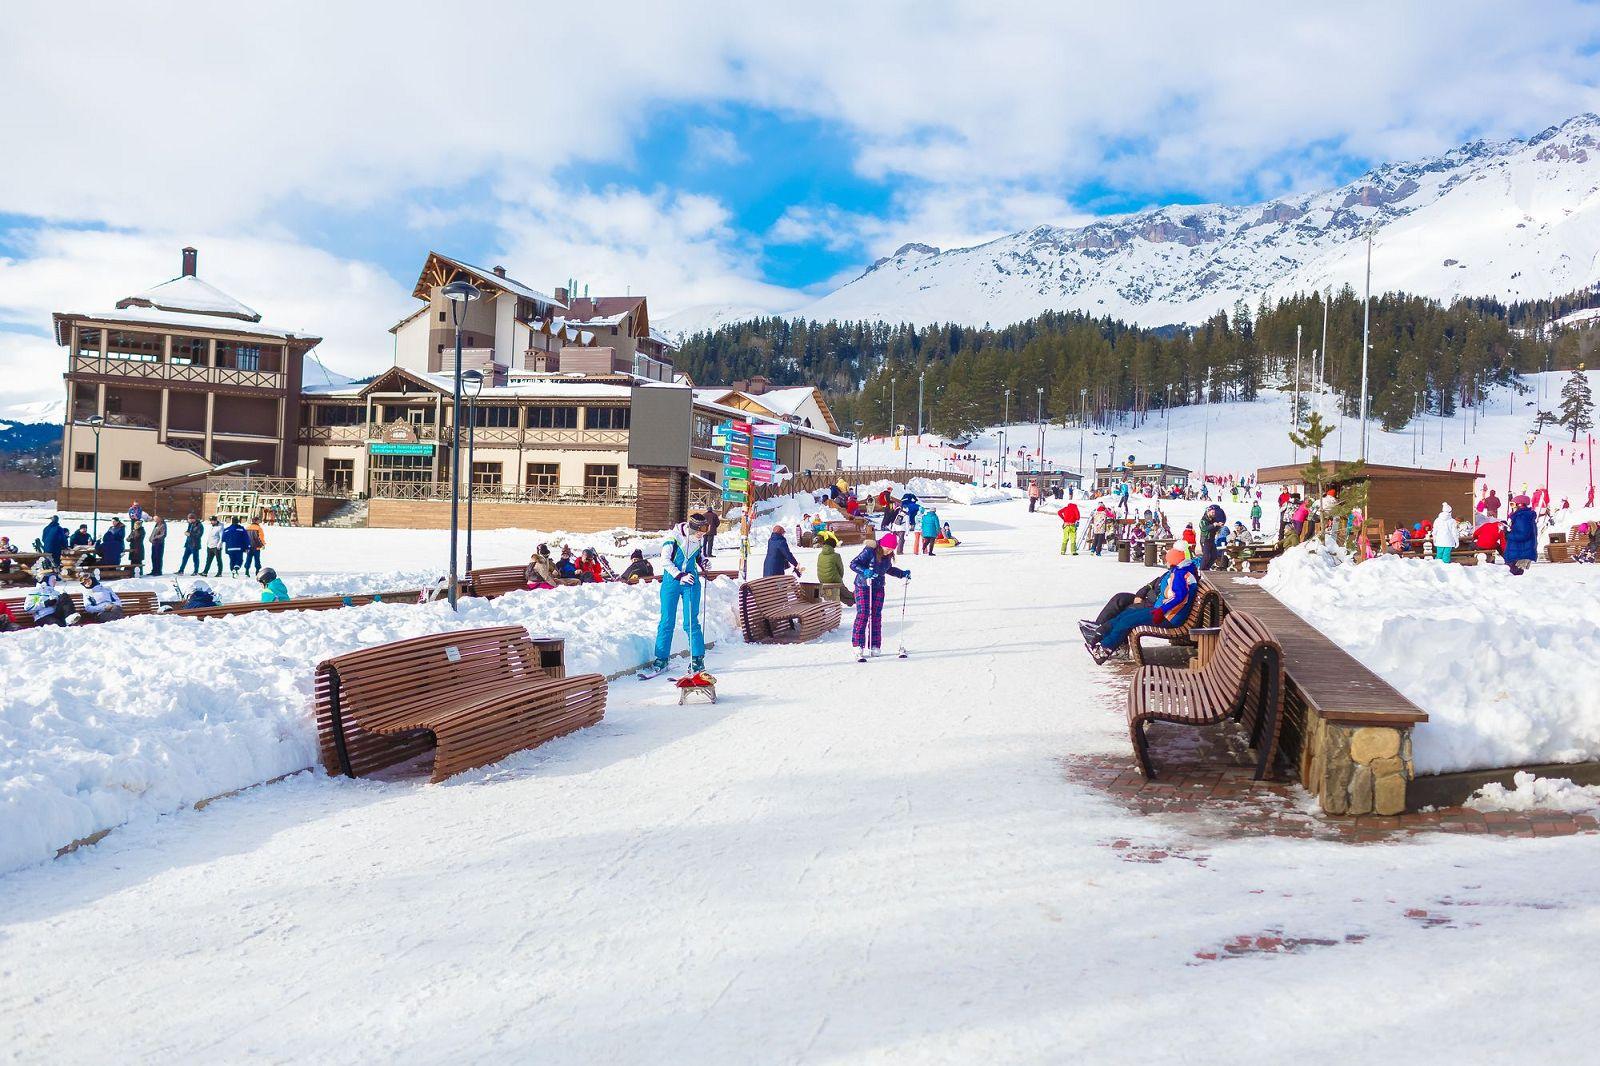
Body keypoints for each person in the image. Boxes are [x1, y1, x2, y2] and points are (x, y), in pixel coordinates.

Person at [1083, 548, 1199, 664]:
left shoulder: (1180, 574)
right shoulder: (1180, 571)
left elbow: (1179, 597)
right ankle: (1100, 635)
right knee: (1126, 614)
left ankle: (1104, 650)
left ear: (1173, 561)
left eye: (1167, 559)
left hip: (1170, 617)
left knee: (1128, 620)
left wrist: (1161, 610)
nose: (1165, 561)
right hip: (1164, 612)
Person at [646, 513, 710, 675]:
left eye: (704, 532)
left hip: (691, 583)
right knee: (667, 620)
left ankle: (697, 660)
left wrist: (704, 562)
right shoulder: (673, 538)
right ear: (692, 528)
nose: (702, 535)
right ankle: (661, 658)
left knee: (690, 622)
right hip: (672, 582)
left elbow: (697, 556)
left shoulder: (697, 538)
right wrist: (679, 575)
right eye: (700, 532)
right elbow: (664, 561)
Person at [849, 532, 910, 659]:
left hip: (878, 587)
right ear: (882, 545)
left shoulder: (887, 556)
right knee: (863, 613)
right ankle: (858, 646)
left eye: (891, 550)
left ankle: (874, 645)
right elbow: (853, 564)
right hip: (863, 585)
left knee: (876, 616)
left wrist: (902, 573)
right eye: (888, 549)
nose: (889, 552)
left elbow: (887, 569)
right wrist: (865, 571)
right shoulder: (869, 551)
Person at [815, 532, 855, 605]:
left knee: (838, 591)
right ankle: (855, 598)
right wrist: (840, 578)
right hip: (833, 579)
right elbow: (841, 570)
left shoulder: (820, 555)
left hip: (822, 579)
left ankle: (850, 601)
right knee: (841, 588)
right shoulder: (836, 556)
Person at [1504, 495, 1538, 575]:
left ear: (1520, 505)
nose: (1512, 507)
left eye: (1512, 504)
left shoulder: (1522, 517)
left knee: (1513, 578)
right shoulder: (1523, 516)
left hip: (1519, 554)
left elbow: (1523, 535)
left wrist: (1508, 534)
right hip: (1519, 552)